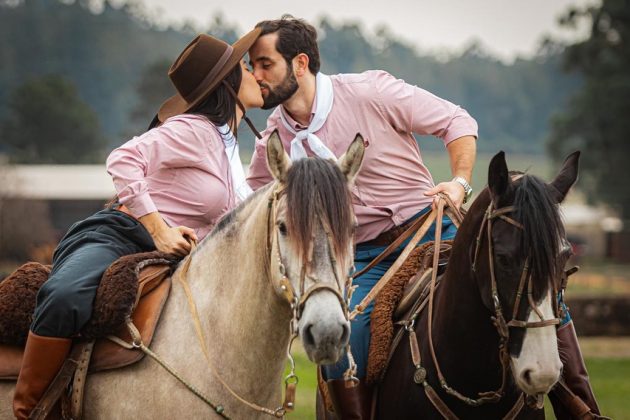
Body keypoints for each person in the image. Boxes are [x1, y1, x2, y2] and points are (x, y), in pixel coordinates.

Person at [246, 16, 601, 420]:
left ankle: (584, 411)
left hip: (434, 228)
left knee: (536, 291)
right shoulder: (271, 140)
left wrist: (459, 183)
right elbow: (253, 205)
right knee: (346, 337)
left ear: (300, 64)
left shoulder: (371, 91)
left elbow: (457, 122)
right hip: (362, 258)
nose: (255, 75)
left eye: (264, 64)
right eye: (251, 66)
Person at [13, 29, 263, 419]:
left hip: (183, 256)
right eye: (246, 68)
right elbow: (122, 160)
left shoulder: (232, 148)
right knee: (64, 295)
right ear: (228, 84)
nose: (255, 74)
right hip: (119, 236)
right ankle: (27, 408)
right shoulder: (192, 129)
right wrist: (159, 229)